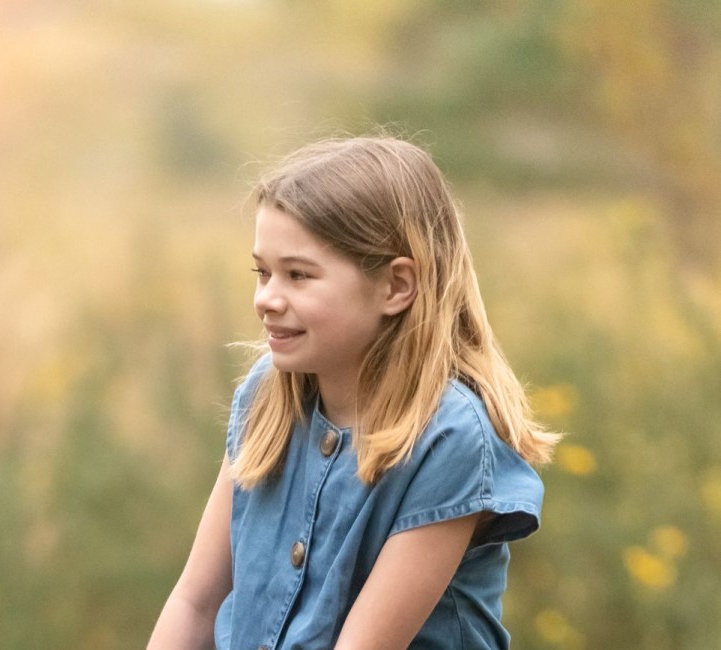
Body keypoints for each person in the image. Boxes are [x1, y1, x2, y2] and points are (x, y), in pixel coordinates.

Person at [148, 136, 560, 649]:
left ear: (395, 286)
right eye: (263, 272)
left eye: (298, 275)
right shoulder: (266, 399)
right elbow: (196, 603)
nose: (266, 299)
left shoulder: (449, 438)